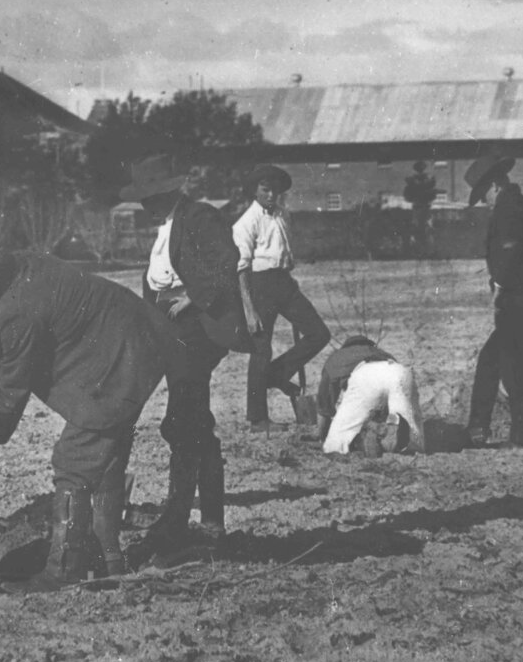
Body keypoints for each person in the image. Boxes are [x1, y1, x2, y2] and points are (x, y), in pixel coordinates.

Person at [0, 236, 184, 592]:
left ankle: (64, 569)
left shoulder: (19, 308)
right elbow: (7, 337)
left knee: (74, 461)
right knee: (104, 457)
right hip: (134, 339)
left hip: (117, 361)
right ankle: (110, 560)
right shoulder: (21, 266)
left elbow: (13, 390)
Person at [118, 154, 252, 551]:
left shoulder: (198, 217)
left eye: (151, 197)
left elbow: (228, 261)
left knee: (182, 420)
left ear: (168, 192)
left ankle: (181, 517)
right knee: (192, 421)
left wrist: (193, 297)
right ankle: (208, 518)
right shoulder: (166, 226)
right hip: (170, 327)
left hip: (199, 327)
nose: (146, 206)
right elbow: (157, 278)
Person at [463, 154, 523, 448]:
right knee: (501, 361)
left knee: (507, 365)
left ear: (495, 185)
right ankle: (522, 430)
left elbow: (509, 252)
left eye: (485, 196)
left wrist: (499, 287)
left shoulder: (509, 209)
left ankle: (505, 432)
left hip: (516, 300)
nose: (485, 202)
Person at [232, 164, 331, 430]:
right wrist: (249, 310)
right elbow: (240, 269)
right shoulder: (246, 222)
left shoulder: (283, 215)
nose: (271, 195)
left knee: (319, 334)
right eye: (265, 190)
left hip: (284, 283)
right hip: (259, 285)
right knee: (261, 350)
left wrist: (287, 272)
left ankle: (277, 374)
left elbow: (284, 251)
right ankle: (257, 419)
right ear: (255, 191)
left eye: (275, 191)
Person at [315, 335, 425, 455]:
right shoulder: (381, 353)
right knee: (413, 436)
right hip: (399, 371)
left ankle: (371, 439)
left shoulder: (336, 358)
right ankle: (400, 442)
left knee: (334, 446)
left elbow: (324, 408)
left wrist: (323, 437)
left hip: (366, 375)